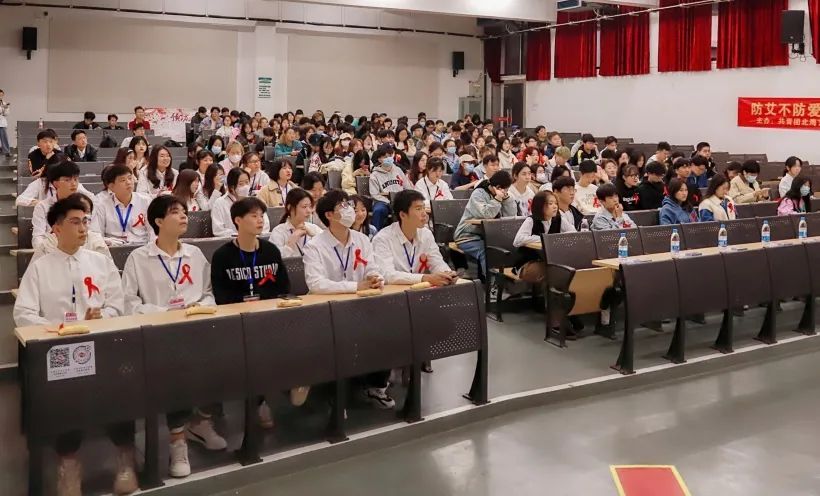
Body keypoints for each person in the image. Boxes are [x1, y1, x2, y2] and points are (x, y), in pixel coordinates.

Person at [13, 195, 134, 496]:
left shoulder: (100, 262)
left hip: (101, 343)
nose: (83, 228)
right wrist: (59, 328)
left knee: (123, 386)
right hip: (59, 349)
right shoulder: (40, 267)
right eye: (75, 222)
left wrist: (102, 316)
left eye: (86, 221)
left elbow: (117, 304)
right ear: (56, 228)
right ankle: (69, 464)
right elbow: (23, 313)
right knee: (64, 397)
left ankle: (125, 458)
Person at [302, 190, 393, 408]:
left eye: (349, 205)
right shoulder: (315, 246)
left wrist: (375, 278)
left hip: (361, 306)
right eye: (343, 206)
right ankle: (334, 395)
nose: (350, 210)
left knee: (389, 329)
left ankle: (376, 385)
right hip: (327, 311)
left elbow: (372, 268)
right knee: (336, 341)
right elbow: (316, 284)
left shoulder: (362, 239)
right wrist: (355, 286)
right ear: (329, 215)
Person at [372, 189, 455, 288]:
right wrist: (425, 278)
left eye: (424, 208)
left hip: (421, 291)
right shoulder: (382, 239)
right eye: (418, 209)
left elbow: (437, 262)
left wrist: (447, 274)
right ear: (403, 215)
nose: (424, 214)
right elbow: (387, 275)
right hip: (395, 292)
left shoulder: (426, 234)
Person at [454, 171, 516, 278]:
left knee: (508, 247)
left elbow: (511, 215)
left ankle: (504, 280)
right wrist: (497, 199)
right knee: (487, 251)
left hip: (489, 236)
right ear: (498, 187)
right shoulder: (478, 194)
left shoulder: (502, 195)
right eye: (506, 189)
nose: (506, 192)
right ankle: (490, 282)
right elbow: (486, 214)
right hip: (467, 236)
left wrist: (506, 200)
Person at [93, 164, 154, 244]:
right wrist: (109, 242)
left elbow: (153, 231)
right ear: (111, 187)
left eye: (130, 178)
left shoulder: (146, 201)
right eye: (123, 180)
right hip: (113, 247)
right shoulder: (102, 204)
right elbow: (96, 234)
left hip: (141, 245)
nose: (128, 182)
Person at [31, 161, 84, 250]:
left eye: (75, 179)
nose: (74, 184)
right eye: (67, 180)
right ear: (56, 183)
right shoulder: (43, 207)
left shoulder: (84, 205)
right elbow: (38, 238)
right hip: (51, 249)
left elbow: (93, 232)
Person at [513, 190, 559, 284]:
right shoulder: (531, 220)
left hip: (547, 261)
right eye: (550, 203)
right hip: (528, 262)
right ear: (540, 206)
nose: (555, 206)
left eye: (556, 203)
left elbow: (572, 233)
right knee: (551, 272)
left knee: (563, 269)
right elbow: (517, 240)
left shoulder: (559, 220)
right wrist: (542, 238)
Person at [211, 167, 271, 237]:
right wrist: (241, 235)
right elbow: (218, 230)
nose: (245, 186)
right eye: (241, 184)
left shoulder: (255, 202)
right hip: (231, 240)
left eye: (247, 182)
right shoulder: (220, 203)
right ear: (232, 187)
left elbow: (265, 225)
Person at [368, 145, 412, 229]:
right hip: (383, 202)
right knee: (378, 210)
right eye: (385, 157)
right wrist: (389, 202)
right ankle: (375, 233)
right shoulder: (374, 175)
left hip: (399, 200)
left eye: (390, 156)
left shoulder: (398, 170)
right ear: (379, 159)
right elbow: (374, 194)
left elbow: (407, 187)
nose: (389, 158)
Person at [270, 188, 322, 257]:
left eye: (310, 206)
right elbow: (274, 259)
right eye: (304, 207)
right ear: (290, 207)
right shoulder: (279, 231)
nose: (309, 211)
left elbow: (329, 252)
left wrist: (315, 236)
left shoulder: (314, 228)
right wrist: (291, 241)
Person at [0, 89, 9, 157]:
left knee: (4, 138)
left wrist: (5, 108)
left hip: (2, 122)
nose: (0, 97)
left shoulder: (4, 103)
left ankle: (6, 151)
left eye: (1, 95)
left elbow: (7, 114)